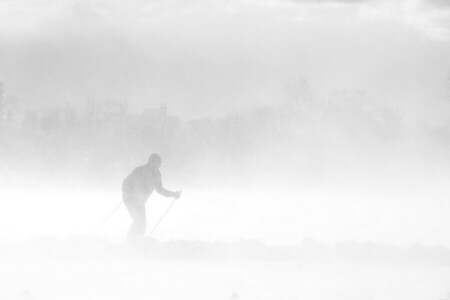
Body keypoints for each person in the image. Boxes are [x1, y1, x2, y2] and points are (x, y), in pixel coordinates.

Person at [122, 153, 181, 237]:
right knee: (139, 221)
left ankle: (135, 240)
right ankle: (131, 241)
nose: (160, 165)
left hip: (140, 202)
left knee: (141, 223)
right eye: (158, 163)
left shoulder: (156, 174)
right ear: (151, 162)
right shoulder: (139, 170)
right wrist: (129, 191)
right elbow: (126, 182)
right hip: (130, 199)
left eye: (160, 164)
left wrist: (173, 194)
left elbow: (160, 190)